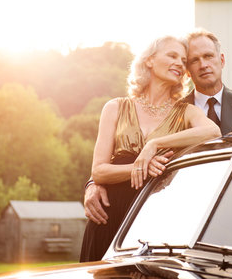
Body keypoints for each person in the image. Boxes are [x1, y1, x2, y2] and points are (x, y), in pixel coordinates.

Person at [83, 28, 232, 233]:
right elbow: (115, 160)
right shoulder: (177, 112)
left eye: (209, 56)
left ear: (221, 60)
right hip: (190, 223)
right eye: (193, 60)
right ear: (187, 71)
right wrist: (93, 184)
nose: (203, 64)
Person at [79, 35, 220, 262]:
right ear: (150, 60)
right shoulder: (115, 107)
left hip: (153, 220)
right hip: (107, 216)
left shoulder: (187, 112)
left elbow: (213, 132)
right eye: (172, 55)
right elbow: (99, 172)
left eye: (183, 61)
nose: (179, 64)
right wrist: (140, 167)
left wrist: (155, 144)